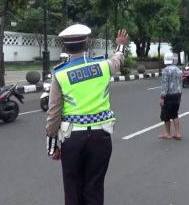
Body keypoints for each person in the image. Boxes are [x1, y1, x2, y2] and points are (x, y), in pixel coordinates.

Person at [45, 24, 128, 205]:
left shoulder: (60, 74)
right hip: (101, 138)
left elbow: (53, 113)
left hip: (73, 140)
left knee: (72, 190)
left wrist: (52, 145)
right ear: (88, 44)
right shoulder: (103, 66)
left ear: (65, 47)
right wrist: (121, 45)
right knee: (94, 188)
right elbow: (118, 60)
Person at [158, 52, 183, 140]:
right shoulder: (178, 70)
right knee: (175, 114)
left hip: (169, 96)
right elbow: (180, 82)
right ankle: (178, 133)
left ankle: (167, 134)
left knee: (166, 115)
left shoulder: (165, 70)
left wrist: (162, 97)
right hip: (177, 95)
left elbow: (165, 85)